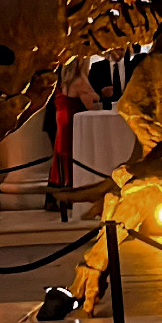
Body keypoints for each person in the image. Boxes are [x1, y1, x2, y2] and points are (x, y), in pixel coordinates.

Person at [46, 56, 99, 209]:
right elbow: (92, 105)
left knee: (60, 156)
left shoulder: (62, 83)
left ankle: (54, 196)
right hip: (73, 123)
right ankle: (68, 196)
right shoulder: (80, 82)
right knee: (70, 155)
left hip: (61, 121)